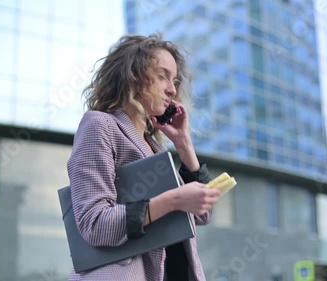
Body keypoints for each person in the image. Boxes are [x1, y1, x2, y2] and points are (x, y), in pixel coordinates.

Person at [67, 33, 222, 281]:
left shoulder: (155, 147)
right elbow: (94, 224)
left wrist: (183, 143)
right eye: (162, 76)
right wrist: (172, 200)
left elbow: (202, 214)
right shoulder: (99, 125)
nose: (172, 89)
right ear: (133, 77)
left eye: (174, 80)